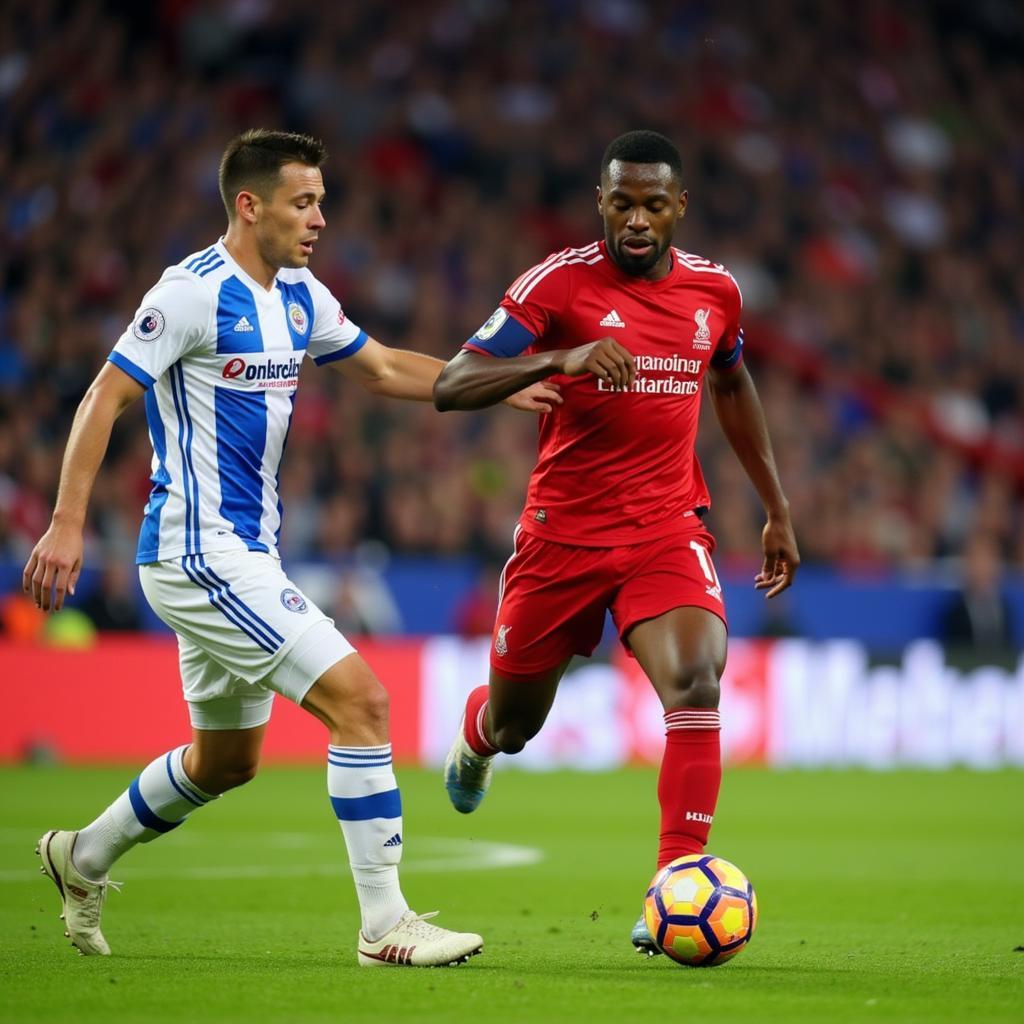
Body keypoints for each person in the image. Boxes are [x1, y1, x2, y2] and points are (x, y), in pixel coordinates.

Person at [23, 128, 557, 966]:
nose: (318, 218)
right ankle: (385, 926)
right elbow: (104, 395)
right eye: (303, 202)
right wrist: (66, 519)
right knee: (364, 704)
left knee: (225, 762)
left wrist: (499, 380)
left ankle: (80, 855)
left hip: (244, 557)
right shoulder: (192, 293)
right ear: (250, 204)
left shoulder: (301, 294)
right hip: (201, 553)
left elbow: (381, 369)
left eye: (320, 202)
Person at [433, 130, 799, 955]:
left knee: (699, 682)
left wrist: (776, 506)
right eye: (621, 203)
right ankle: (480, 737)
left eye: (653, 204)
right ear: (601, 203)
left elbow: (733, 383)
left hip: (666, 529)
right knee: (519, 719)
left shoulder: (716, 292)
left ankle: (677, 879)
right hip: (560, 541)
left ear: (680, 208)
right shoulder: (554, 284)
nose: (637, 220)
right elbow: (453, 384)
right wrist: (558, 359)